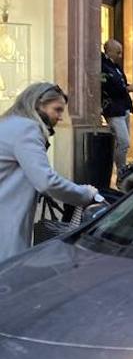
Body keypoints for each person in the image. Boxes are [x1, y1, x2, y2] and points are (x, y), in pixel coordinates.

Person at [0, 83, 98, 262]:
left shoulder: (10, 123)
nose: (60, 117)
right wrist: (86, 194)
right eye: (57, 110)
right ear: (38, 105)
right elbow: (46, 181)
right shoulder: (27, 129)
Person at [101, 39, 133, 174]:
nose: (120, 56)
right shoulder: (103, 66)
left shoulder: (116, 66)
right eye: (118, 52)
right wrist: (127, 89)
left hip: (123, 108)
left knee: (123, 142)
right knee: (124, 142)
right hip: (113, 110)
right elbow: (111, 87)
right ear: (109, 51)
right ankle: (121, 171)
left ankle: (121, 170)